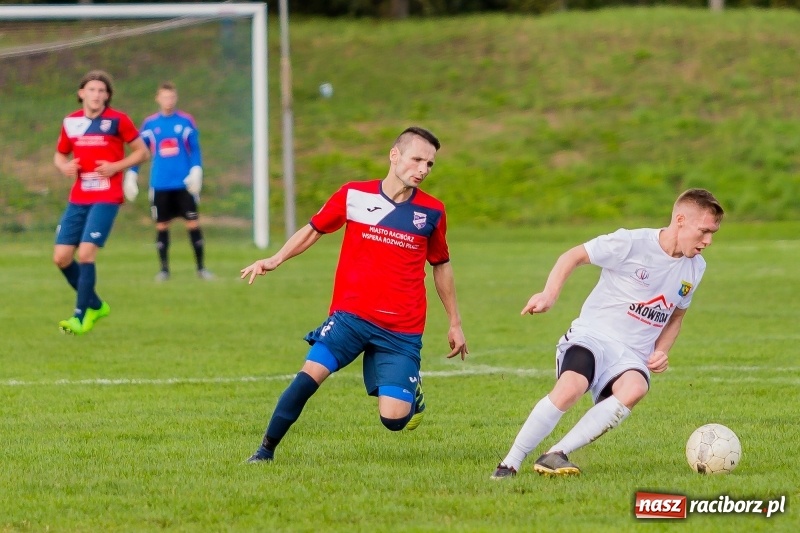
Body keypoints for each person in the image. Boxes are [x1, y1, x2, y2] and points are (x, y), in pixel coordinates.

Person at [241, 126, 469, 463]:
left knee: (394, 420)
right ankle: (264, 452)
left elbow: (442, 265)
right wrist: (275, 259)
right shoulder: (354, 195)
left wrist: (454, 322)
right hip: (351, 316)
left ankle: (410, 390)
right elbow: (313, 229)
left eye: (430, 164)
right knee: (309, 376)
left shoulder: (432, 211)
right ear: (395, 156)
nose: (423, 169)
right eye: (417, 159)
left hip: (401, 328)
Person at [491, 189, 724, 479]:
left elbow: (676, 317)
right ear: (680, 220)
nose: (708, 241)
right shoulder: (631, 242)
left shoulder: (696, 267)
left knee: (635, 388)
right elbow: (573, 255)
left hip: (632, 355)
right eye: (703, 231)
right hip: (593, 336)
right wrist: (549, 294)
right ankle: (509, 463)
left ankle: (557, 453)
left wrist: (662, 350)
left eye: (713, 233)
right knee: (571, 387)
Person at [53, 69, 149, 335]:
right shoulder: (71, 122)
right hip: (79, 197)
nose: (97, 95)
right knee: (61, 258)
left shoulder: (118, 120)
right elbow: (60, 155)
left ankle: (80, 316)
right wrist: (64, 167)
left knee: (85, 253)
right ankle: (95, 304)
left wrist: (116, 166)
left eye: (102, 91)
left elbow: (143, 152)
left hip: (107, 196)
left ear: (107, 96)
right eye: (92, 90)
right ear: (81, 93)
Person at [123, 81, 212, 281]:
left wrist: (196, 169)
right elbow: (140, 151)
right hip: (160, 183)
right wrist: (132, 173)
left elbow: (195, 148)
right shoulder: (151, 124)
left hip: (184, 184)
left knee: (193, 223)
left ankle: (201, 268)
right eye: (164, 97)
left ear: (176, 98)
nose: (168, 101)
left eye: (171, 97)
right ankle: (164, 270)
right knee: (162, 226)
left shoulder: (186, 121)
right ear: (158, 99)